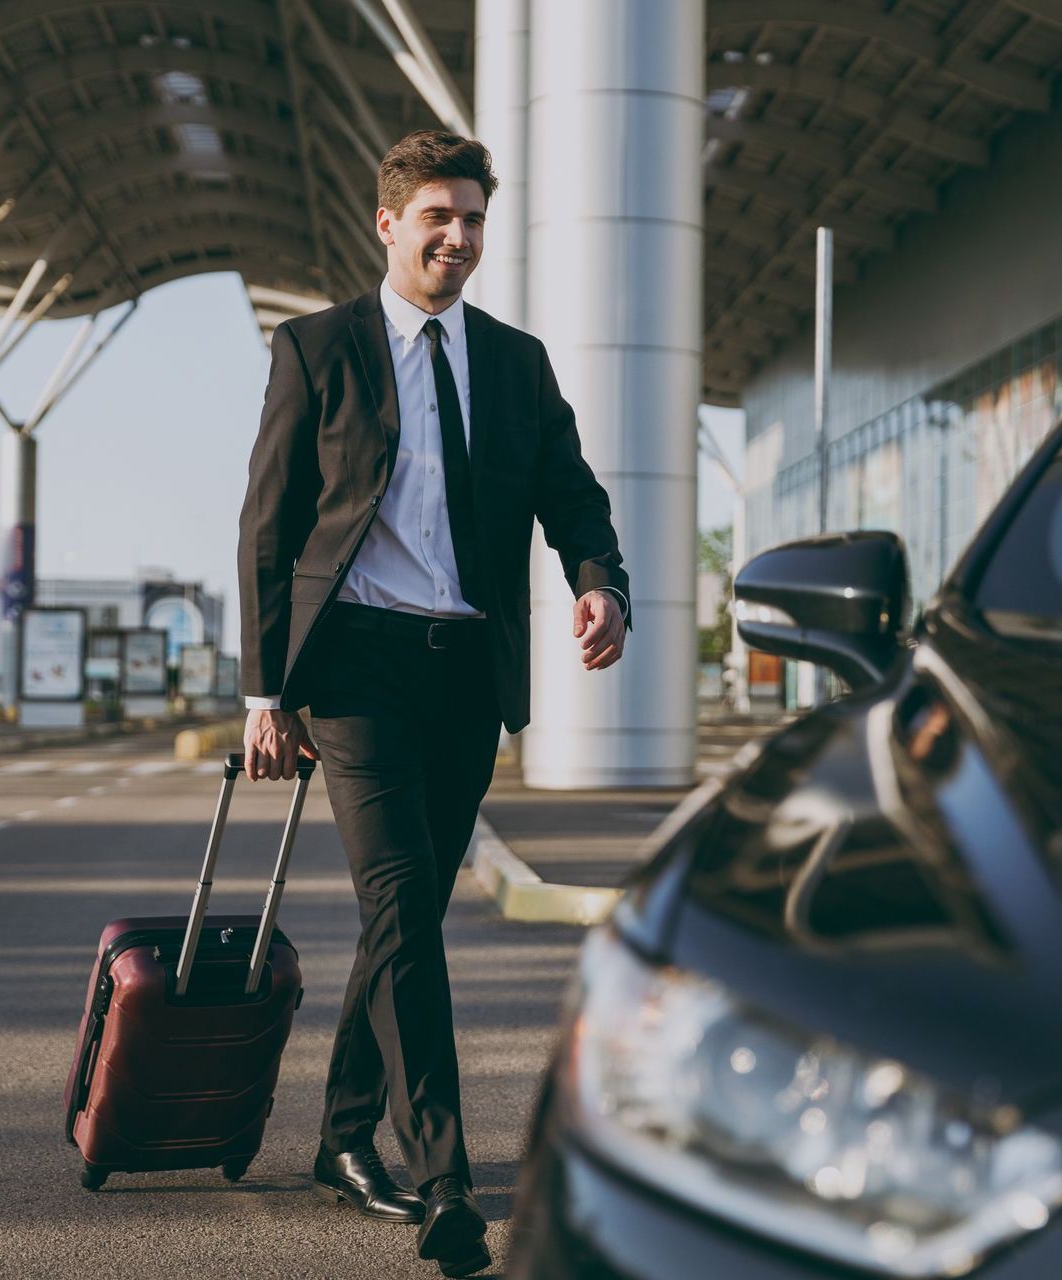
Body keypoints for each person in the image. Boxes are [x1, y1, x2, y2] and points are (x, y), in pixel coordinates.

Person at [237, 130, 630, 1278]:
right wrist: (267, 688)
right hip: (353, 670)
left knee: (396, 920)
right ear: (388, 224)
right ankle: (445, 1178)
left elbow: (570, 492)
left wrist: (598, 580)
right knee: (403, 902)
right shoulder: (316, 350)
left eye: (470, 221)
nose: (455, 238)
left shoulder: (513, 362)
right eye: (436, 219)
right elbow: (268, 523)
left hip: (465, 670)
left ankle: (341, 1136)